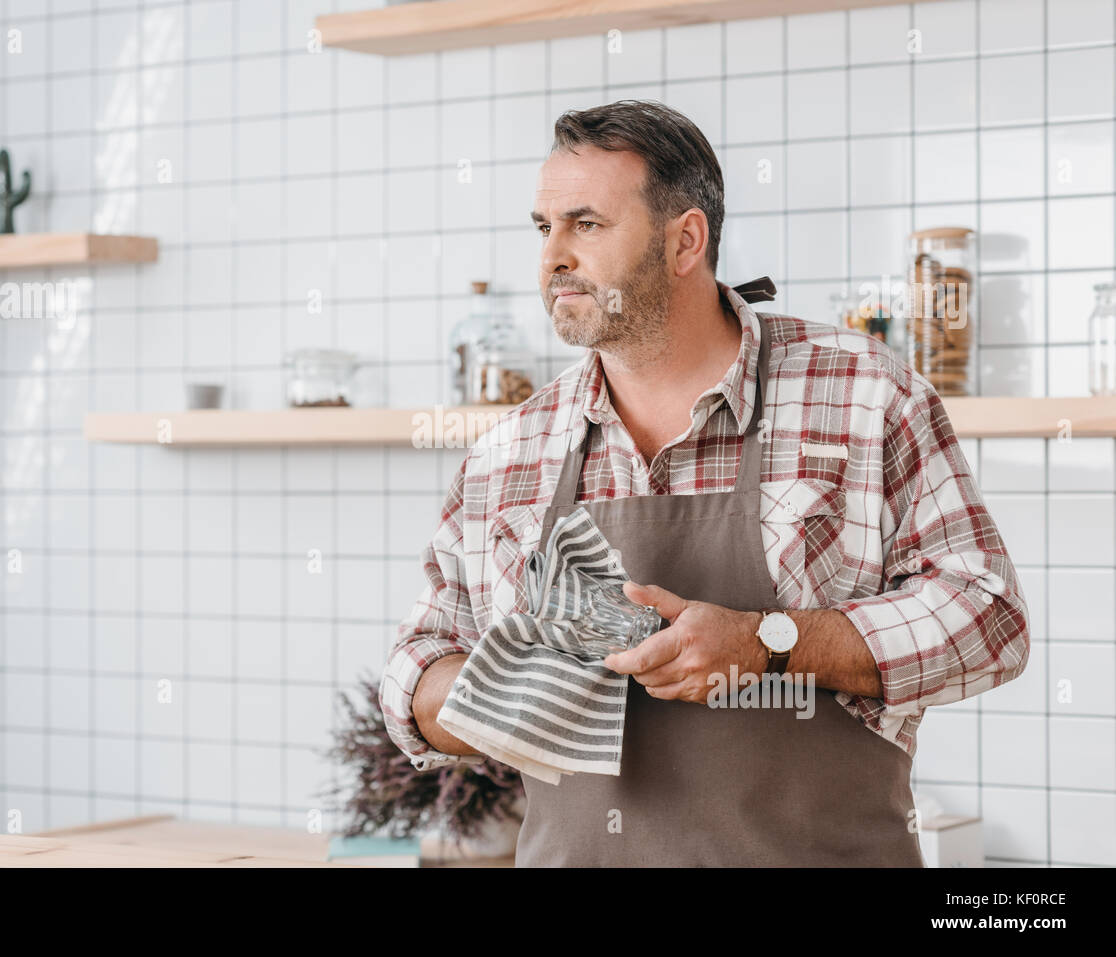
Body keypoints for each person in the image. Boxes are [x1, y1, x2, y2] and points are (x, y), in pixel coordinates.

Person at [381, 99, 1029, 866]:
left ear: (685, 240)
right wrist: (504, 693)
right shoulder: (513, 447)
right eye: (542, 227)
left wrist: (767, 644)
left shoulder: (862, 394)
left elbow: (989, 619)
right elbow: (415, 668)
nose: (553, 256)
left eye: (585, 225)